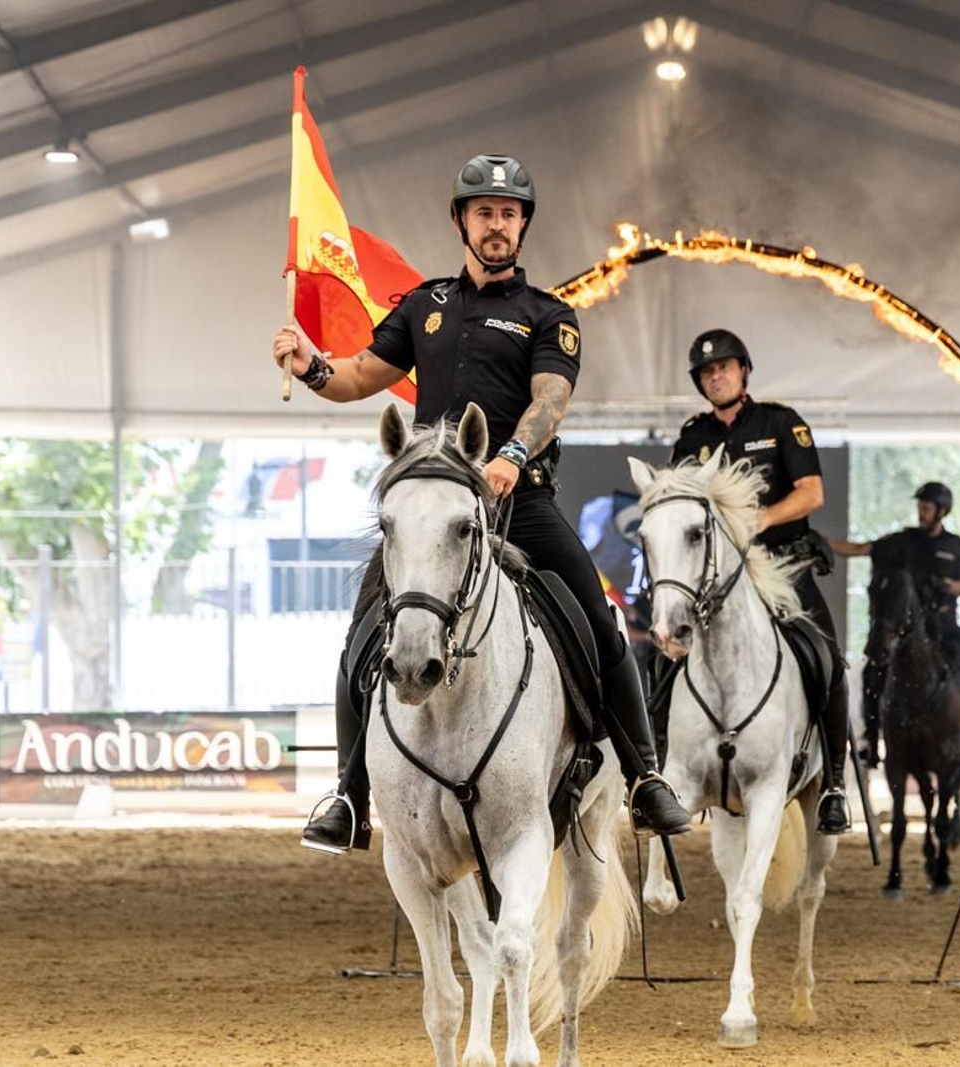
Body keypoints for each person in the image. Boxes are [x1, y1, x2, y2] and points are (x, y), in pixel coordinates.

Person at [272, 153, 691, 853]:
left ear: (522, 227)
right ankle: (350, 794)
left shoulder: (548, 314)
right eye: (484, 212)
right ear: (462, 221)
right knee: (360, 640)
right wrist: (309, 363)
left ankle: (646, 778)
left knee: (598, 620)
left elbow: (550, 398)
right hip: (436, 513)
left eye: (509, 214)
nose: (497, 225)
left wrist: (512, 456)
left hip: (519, 501)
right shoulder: (424, 306)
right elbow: (359, 377)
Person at [667, 328, 851, 835]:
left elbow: (811, 493)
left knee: (827, 659)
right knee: (665, 655)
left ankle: (834, 783)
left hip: (781, 566)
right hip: (714, 577)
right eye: (707, 371)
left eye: (724, 366)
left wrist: (759, 521)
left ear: (744, 370)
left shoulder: (781, 423)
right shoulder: (691, 437)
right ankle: (658, 772)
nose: (716, 375)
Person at [832, 482, 960, 767]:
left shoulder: (955, 546)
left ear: (940, 511)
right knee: (874, 671)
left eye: (926, 507)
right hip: (905, 631)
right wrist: (822, 542)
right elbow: (859, 549)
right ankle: (871, 738)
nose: (921, 512)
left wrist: (947, 585)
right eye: (919, 506)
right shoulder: (902, 541)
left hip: (942, 628)